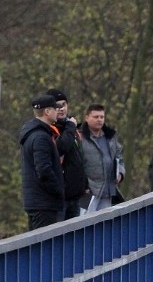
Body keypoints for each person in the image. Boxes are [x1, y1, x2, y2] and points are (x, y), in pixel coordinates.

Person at [19, 95, 65, 230]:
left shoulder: (32, 133)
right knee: (45, 248)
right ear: (47, 112)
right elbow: (44, 170)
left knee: (36, 247)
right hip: (44, 203)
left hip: (36, 201)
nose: (58, 112)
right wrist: (59, 190)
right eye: (56, 109)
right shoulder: (41, 137)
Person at [46, 89, 87, 219]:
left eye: (63, 104)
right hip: (59, 198)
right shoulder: (50, 129)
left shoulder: (72, 128)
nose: (61, 109)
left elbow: (79, 159)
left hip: (75, 196)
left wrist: (85, 184)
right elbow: (61, 147)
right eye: (57, 106)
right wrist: (70, 127)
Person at [80, 104, 125, 212]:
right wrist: (83, 185)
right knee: (86, 223)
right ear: (87, 117)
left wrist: (120, 173)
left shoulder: (110, 136)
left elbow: (119, 156)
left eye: (102, 117)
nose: (99, 120)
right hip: (88, 192)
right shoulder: (80, 137)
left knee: (105, 224)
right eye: (96, 117)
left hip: (108, 189)